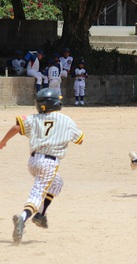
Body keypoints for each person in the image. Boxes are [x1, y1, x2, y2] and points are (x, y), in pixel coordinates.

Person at [0, 88, 84, 245]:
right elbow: (80, 139)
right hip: (49, 163)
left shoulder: (34, 118)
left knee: (57, 183)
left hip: (33, 162)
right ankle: (23, 217)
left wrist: (3, 142)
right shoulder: (65, 120)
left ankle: (40, 215)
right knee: (38, 193)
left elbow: (16, 127)